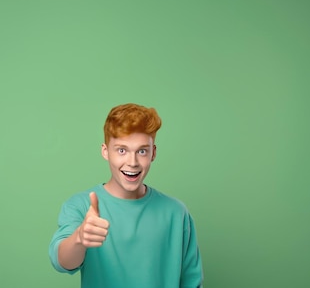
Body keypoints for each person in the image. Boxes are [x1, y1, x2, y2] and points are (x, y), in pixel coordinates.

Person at [49, 103, 203, 288]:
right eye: (122, 150)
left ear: (153, 153)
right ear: (105, 152)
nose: (132, 162)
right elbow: (62, 262)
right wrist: (80, 238)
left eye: (142, 151)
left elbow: (192, 282)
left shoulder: (177, 213)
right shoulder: (80, 205)